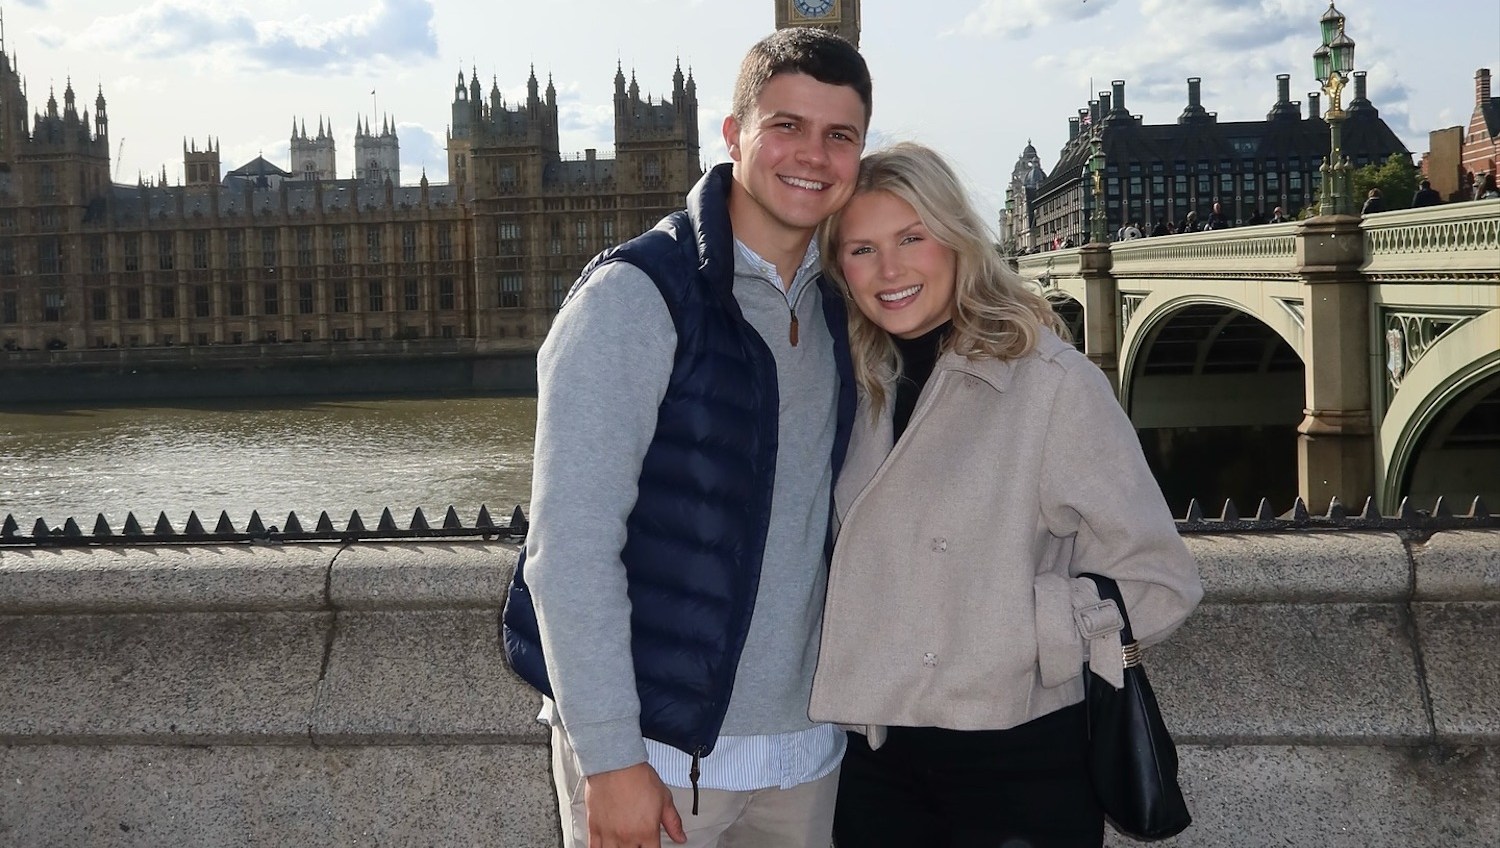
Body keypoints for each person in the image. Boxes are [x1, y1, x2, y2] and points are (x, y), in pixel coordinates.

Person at [502, 28, 872, 848]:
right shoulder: (634, 296)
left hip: (805, 757)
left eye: (839, 135)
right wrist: (610, 758)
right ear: (734, 134)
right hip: (660, 760)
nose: (813, 155)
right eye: (787, 126)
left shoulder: (846, 303)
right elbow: (569, 551)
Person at [808, 142, 1203, 847]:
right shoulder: (852, 387)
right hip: (875, 761)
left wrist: (1013, 634)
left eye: (912, 238)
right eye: (862, 250)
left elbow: (1160, 580)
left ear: (957, 240)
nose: (889, 270)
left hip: (1019, 761)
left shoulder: (1051, 384)